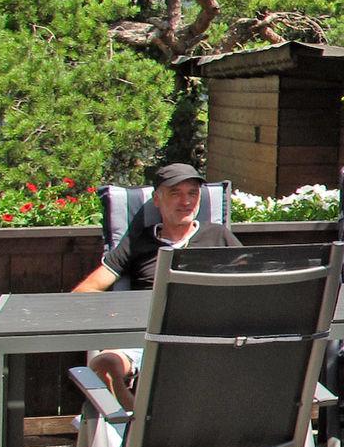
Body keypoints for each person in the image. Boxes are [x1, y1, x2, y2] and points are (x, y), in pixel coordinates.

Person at [72, 163, 241, 403]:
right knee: (103, 364)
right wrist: (114, 314)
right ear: (157, 199)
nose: (186, 201)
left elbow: (254, 283)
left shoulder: (218, 236)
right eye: (176, 193)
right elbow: (85, 291)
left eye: (192, 193)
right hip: (148, 338)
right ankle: (140, 423)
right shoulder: (138, 242)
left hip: (209, 340)